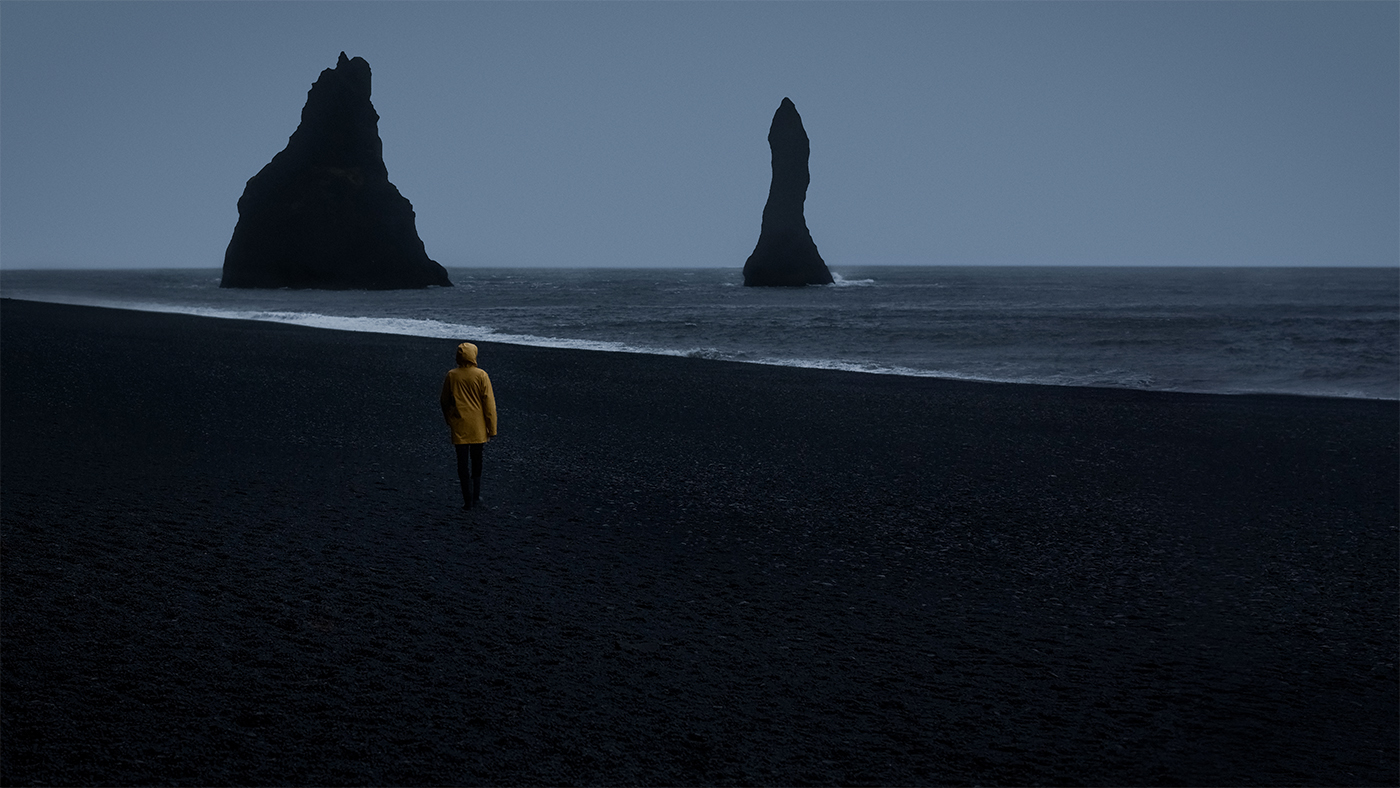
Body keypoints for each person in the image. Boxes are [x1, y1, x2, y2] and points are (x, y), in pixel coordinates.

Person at [440, 342, 497, 510]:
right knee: (477, 460)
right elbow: (489, 405)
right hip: (478, 427)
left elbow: (444, 401)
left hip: (460, 425)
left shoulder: (452, 375)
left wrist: (449, 419)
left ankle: (467, 500)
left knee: (462, 462)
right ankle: (476, 495)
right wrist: (492, 428)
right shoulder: (481, 375)